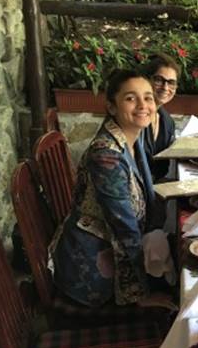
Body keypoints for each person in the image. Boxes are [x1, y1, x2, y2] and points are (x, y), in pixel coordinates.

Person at [51, 68, 172, 308]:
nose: (143, 105)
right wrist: (142, 295)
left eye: (148, 97)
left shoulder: (132, 139)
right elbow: (124, 230)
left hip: (115, 252)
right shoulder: (107, 156)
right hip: (91, 277)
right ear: (112, 107)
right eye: (131, 98)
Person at [143, 53, 180, 181]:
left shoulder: (167, 122)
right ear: (147, 80)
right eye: (159, 80)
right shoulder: (136, 117)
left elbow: (162, 168)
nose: (165, 87)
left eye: (171, 83)